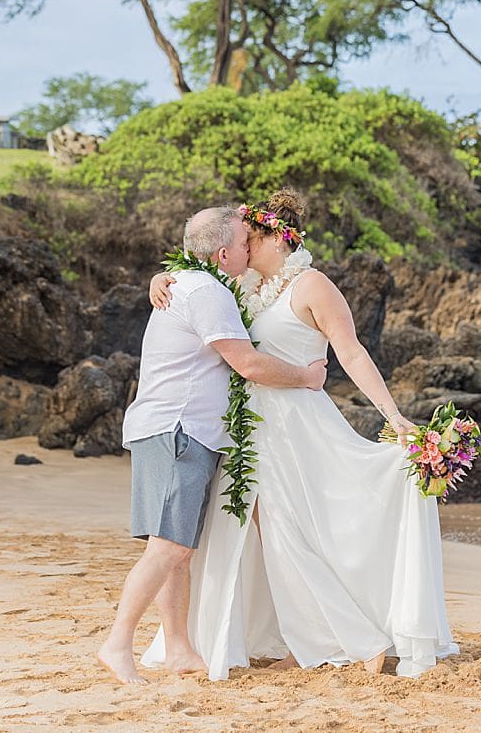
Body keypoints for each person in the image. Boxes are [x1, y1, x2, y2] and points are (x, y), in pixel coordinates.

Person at [141, 188, 460, 680]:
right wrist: (161, 279)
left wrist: (393, 415)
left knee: (294, 531)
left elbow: (351, 353)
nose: (243, 249)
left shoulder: (312, 285)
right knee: (265, 537)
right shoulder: (245, 285)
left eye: (251, 239)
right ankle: (306, 637)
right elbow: (199, 283)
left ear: (277, 240)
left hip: (296, 426)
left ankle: (346, 638)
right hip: (250, 428)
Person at [97, 206, 328, 686]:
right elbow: (249, 364)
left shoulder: (193, 283)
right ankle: (117, 643)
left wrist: (162, 275)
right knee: (167, 549)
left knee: (178, 550)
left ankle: (179, 647)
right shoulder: (208, 291)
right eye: (245, 242)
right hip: (178, 430)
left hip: (174, 430)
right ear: (224, 254)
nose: (251, 247)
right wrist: (307, 378)